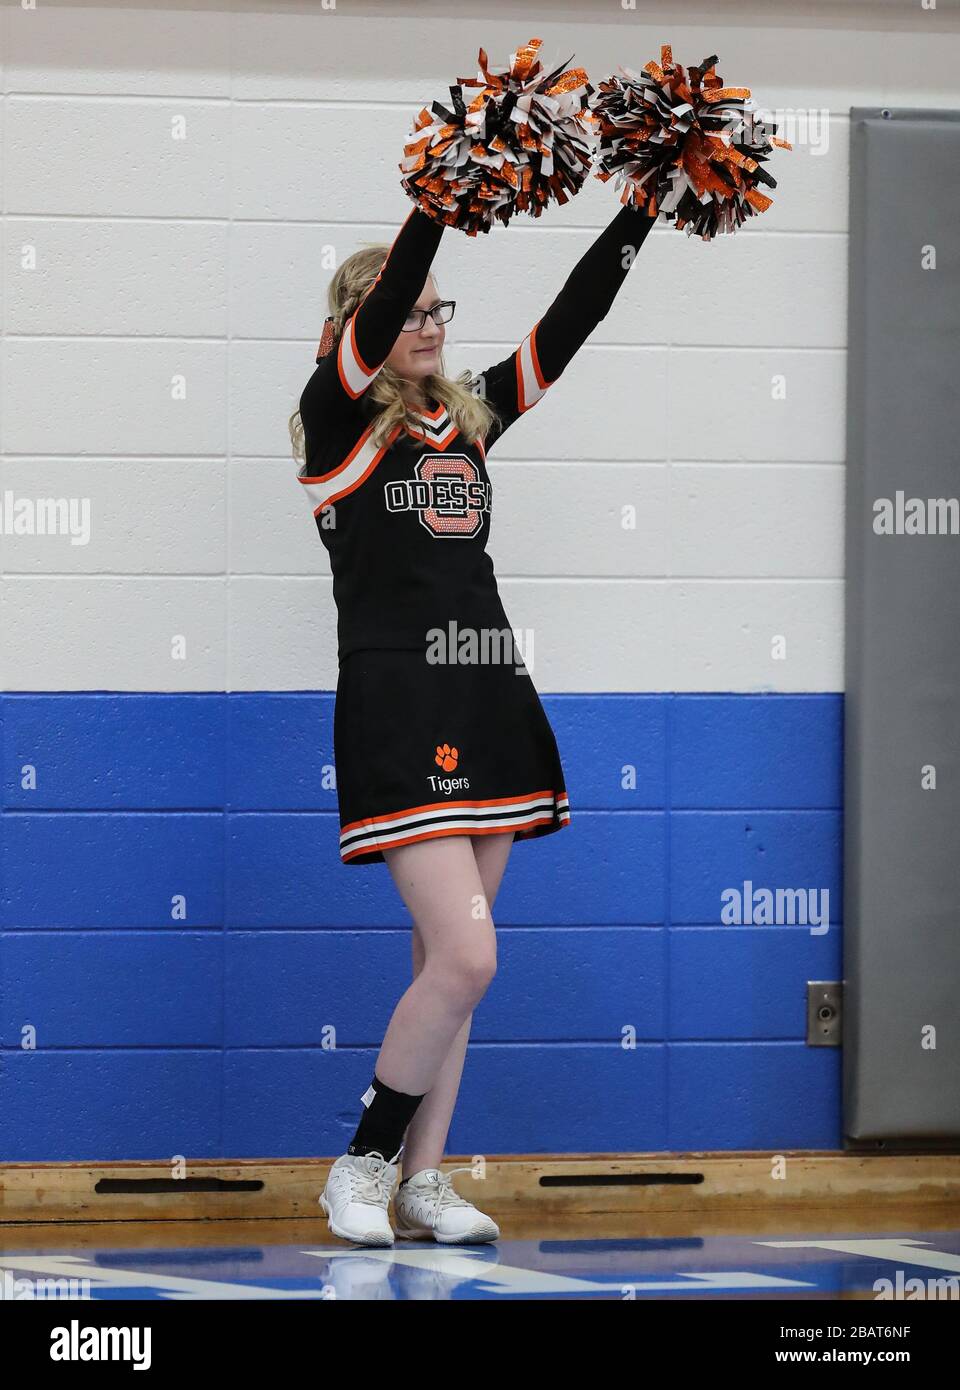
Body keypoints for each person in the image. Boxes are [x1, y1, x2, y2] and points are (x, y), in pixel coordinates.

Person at [290, 190, 658, 1246]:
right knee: (468, 955)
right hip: (400, 706)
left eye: (442, 311)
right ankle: (359, 1163)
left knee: (447, 968)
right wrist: (437, 202)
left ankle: (423, 1179)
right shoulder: (334, 419)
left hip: (489, 691)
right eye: (409, 310)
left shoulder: (472, 414)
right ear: (361, 323)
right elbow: (389, 297)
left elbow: (567, 328)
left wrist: (636, 215)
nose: (430, 324)